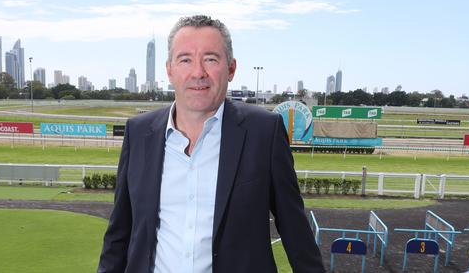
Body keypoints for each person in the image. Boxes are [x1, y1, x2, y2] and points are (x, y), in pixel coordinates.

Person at [99, 15, 324, 272]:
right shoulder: (138, 133)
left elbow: (295, 230)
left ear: (231, 68)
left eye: (210, 59)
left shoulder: (264, 132)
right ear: (169, 69)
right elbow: (118, 235)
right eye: (185, 60)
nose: (198, 73)